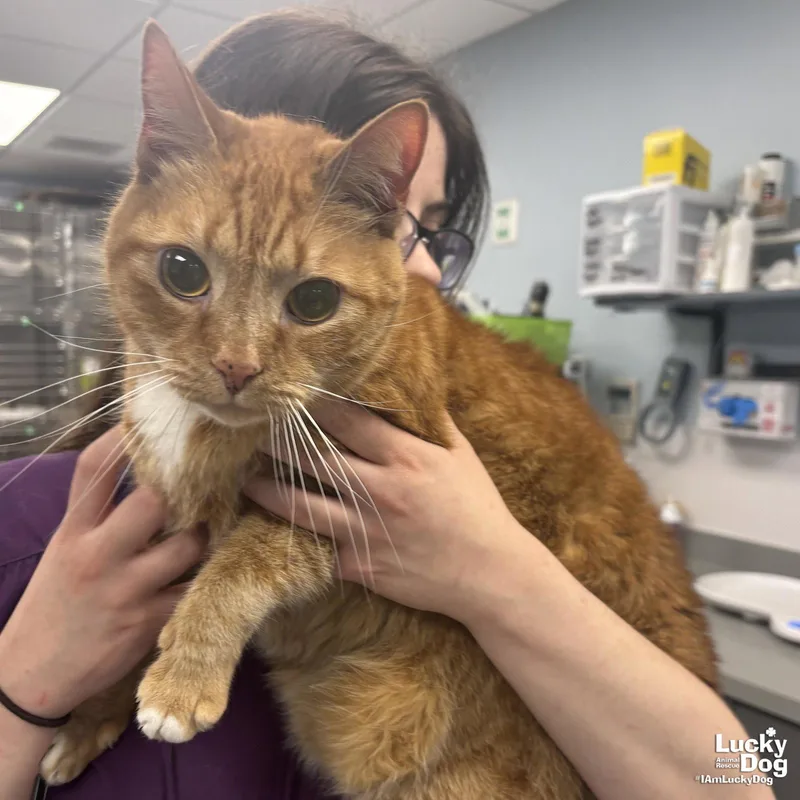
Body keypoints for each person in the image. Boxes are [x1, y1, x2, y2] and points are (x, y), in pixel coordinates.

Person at [0, 11, 770, 800]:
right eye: (188, 272)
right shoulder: (27, 525)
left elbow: (745, 778)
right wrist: (21, 685)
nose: (424, 274)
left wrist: (497, 575)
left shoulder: (448, 493)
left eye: (424, 228)